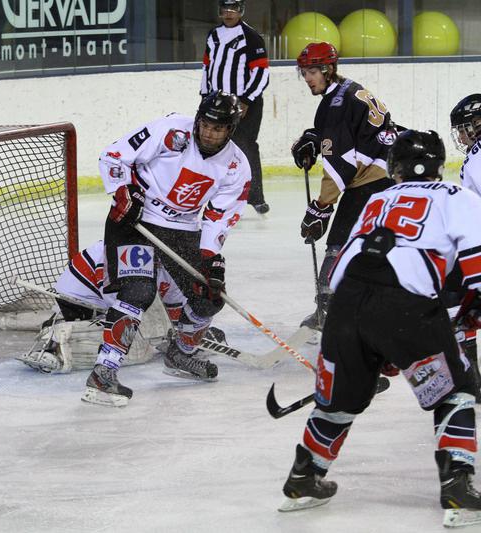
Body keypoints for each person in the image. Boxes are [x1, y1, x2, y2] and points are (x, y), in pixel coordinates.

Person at [279, 130, 481, 528]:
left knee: (339, 402)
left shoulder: (377, 199)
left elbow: (340, 269)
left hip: (345, 306)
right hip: (405, 306)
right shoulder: (458, 197)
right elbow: (476, 259)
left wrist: (373, 341)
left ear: (394, 169)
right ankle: (457, 487)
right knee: (455, 391)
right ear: (439, 166)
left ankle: (304, 478)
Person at [83, 90, 251, 407]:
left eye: (218, 128)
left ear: (230, 129)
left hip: (183, 229)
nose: (208, 132)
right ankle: (103, 373)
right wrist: (122, 192)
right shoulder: (170, 131)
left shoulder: (235, 167)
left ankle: (179, 354)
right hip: (135, 218)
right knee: (138, 292)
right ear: (199, 119)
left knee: (209, 297)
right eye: (205, 124)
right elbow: (115, 155)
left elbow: (218, 217)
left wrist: (211, 257)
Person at [290, 41, 397, 331]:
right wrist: (314, 136)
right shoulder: (350, 89)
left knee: (337, 244)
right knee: (372, 246)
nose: (307, 78)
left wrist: (321, 207)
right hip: (391, 178)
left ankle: (329, 312)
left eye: (312, 71)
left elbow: (342, 166)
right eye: (304, 72)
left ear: (328, 69)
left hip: (370, 182)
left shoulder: (335, 104)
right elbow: (354, 131)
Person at [17, 240, 227, 374]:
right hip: (77, 300)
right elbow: (122, 305)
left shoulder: (175, 269)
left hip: (103, 301)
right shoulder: (130, 252)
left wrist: (187, 332)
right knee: (134, 347)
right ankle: (59, 337)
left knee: (141, 337)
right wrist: (159, 334)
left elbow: (174, 308)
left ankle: (68, 335)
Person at [200, 0, 270, 214]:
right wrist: (205, 96)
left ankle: (255, 196)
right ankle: (211, 194)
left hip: (245, 102)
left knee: (245, 145)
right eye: (225, 9)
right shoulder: (213, 35)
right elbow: (206, 67)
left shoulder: (251, 37)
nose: (229, 13)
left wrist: (246, 100)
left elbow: (261, 73)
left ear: (241, 11)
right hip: (217, 101)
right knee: (211, 145)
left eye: (233, 9)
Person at [440, 93, 481, 399]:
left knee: (457, 300)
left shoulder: (477, 157)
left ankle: (471, 380)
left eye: (465, 127)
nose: (462, 134)